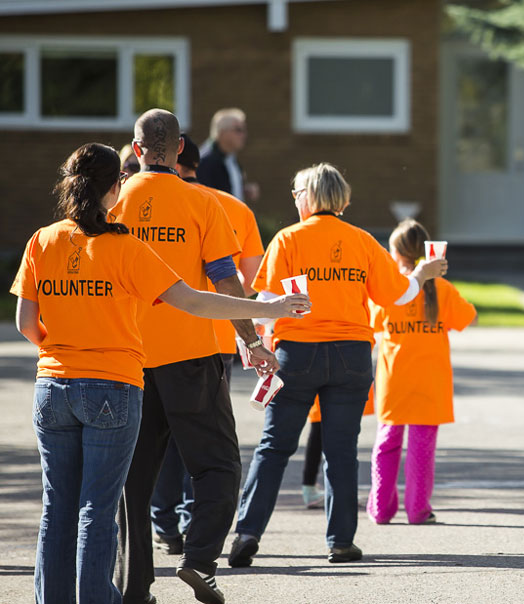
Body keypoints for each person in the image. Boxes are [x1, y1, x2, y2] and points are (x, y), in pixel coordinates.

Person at [9, 142, 308, 604]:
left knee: (58, 509)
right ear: (115, 186)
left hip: (53, 386)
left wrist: (61, 352)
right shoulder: (124, 245)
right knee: (98, 507)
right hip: (114, 382)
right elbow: (193, 299)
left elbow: (26, 324)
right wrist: (265, 310)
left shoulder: (41, 240)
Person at [227, 163, 448, 568]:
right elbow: (396, 295)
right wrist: (423, 272)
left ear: (309, 197)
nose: (294, 200)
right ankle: (341, 541)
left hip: (299, 351)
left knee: (274, 446)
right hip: (351, 355)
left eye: (297, 193)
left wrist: (256, 347)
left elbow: (266, 302)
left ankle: (247, 532)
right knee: (342, 451)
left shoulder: (289, 239)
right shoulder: (362, 240)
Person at [112, 109, 278, 604]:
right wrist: (250, 339)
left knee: (132, 483)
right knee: (219, 466)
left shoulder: (113, 201)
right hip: (195, 353)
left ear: (136, 148)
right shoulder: (204, 203)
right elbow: (226, 279)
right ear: (181, 147)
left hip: (129, 356)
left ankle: (135, 587)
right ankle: (200, 559)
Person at [148, 133, 267, 556]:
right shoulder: (226, 206)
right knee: (201, 442)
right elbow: (247, 280)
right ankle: (190, 522)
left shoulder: (123, 198)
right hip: (210, 337)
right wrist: (252, 336)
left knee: (152, 446)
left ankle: (162, 525)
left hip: (137, 343)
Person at [366, 219, 477, 525]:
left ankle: (381, 508)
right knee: (422, 449)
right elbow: (468, 318)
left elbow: (372, 321)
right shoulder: (441, 288)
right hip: (431, 379)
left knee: (387, 444)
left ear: (396, 253)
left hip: (394, 379)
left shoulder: (390, 290)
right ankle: (418, 509)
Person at [197, 108, 259, 203]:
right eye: (238, 130)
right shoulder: (204, 162)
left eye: (244, 130)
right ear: (222, 132)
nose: (244, 135)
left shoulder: (231, 158)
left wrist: (243, 190)